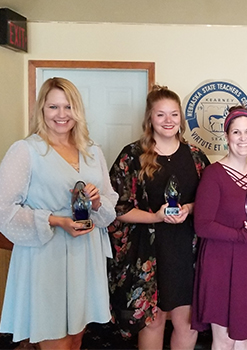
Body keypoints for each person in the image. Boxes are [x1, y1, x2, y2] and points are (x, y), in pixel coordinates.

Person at [0, 77, 118, 350]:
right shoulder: (26, 151)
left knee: (76, 337)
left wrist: (98, 202)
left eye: (68, 107)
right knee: (56, 339)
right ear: (41, 109)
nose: (61, 115)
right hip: (46, 256)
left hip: (86, 255)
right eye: (53, 107)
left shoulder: (92, 151)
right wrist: (55, 220)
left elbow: (110, 201)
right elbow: (4, 209)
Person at [107, 85, 210, 350]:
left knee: (186, 322)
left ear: (181, 118)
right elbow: (116, 208)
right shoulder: (132, 156)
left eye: (174, 114)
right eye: (160, 114)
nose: (168, 121)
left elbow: (210, 203)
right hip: (147, 250)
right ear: (149, 118)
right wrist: (156, 217)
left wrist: (188, 208)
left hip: (186, 250)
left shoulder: (196, 157)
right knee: (153, 321)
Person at [191, 106, 247, 350]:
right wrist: (243, 235)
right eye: (236, 132)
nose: (243, 138)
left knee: (243, 335)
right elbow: (202, 225)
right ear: (226, 137)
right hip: (221, 261)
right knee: (225, 338)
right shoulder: (213, 174)